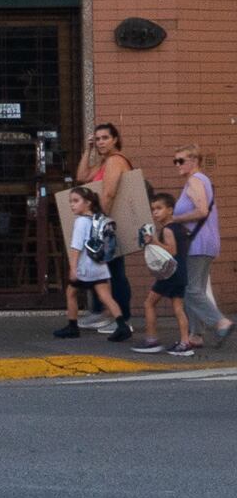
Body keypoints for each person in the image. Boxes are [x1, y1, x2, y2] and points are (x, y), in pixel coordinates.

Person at [169, 144, 233, 348]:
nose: (177, 164)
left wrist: (176, 218)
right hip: (205, 242)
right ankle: (196, 335)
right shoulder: (198, 181)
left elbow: (202, 210)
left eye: (181, 160)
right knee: (194, 288)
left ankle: (221, 322)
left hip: (198, 243)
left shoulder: (195, 180)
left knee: (191, 289)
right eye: (175, 161)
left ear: (194, 161)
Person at [75, 123, 135, 335]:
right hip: (105, 223)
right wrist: (88, 149)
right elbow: (82, 177)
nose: (100, 142)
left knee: (116, 272)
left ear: (115, 139)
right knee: (99, 268)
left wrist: (98, 224)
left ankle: (123, 318)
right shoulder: (104, 162)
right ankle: (102, 312)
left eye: (104, 138)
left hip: (108, 225)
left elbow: (108, 194)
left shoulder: (116, 161)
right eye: (97, 139)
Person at [53, 186, 131, 341]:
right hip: (100, 266)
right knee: (106, 297)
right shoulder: (98, 219)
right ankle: (122, 325)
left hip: (85, 267)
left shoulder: (81, 222)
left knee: (71, 293)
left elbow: (76, 246)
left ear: (87, 203)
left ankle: (72, 326)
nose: (72, 205)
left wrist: (73, 268)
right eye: (71, 201)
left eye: (76, 201)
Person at [130, 193, 193, 356]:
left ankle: (152, 340)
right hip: (181, 272)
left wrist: (154, 241)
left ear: (170, 210)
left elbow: (172, 250)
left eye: (159, 208)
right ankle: (185, 342)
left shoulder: (167, 229)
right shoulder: (179, 227)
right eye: (153, 209)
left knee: (149, 303)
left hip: (169, 274)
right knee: (178, 308)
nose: (155, 213)